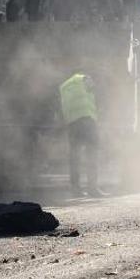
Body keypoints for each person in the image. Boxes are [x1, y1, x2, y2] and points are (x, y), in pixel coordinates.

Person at [59, 69, 104, 197]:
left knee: (75, 157)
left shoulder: (66, 86)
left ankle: (75, 189)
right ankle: (92, 188)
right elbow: (91, 88)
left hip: (72, 123)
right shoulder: (84, 79)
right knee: (92, 154)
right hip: (87, 121)